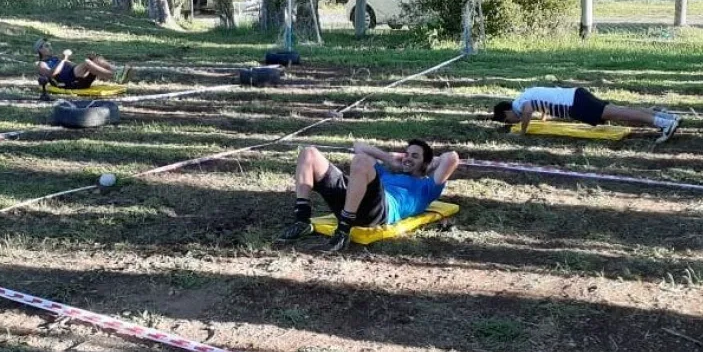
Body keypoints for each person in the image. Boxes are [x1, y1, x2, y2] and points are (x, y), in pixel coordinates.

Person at [277, 140, 460, 253]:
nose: (407, 158)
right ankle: (301, 220)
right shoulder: (388, 174)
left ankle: (343, 232)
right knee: (309, 153)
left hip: (380, 211)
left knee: (361, 162)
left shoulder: (428, 186)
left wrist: (427, 166)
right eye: (406, 154)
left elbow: (451, 157)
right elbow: (359, 146)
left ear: (426, 163)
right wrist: (389, 159)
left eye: (415, 156)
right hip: (353, 198)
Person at [491, 86, 681, 143]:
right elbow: (543, 104)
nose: (512, 121)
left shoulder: (519, 104)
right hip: (576, 97)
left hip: (576, 103)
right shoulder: (525, 95)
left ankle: (663, 123)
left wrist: (522, 132)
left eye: (509, 120)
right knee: (620, 111)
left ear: (507, 111)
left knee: (621, 114)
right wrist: (544, 118)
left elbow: (528, 110)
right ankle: (667, 118)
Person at [34, 38, 133, 96]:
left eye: (50, 45)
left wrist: (92, 62)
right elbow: (51, 74)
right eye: (46, 46)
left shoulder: (56, 59)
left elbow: (73, 66)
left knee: (96, 59)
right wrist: (63, 60)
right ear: (40, 50)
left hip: (76, 77)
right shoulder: (41, 64)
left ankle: (118, 70)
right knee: (86, 62)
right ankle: (115, 76)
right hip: (68, 82)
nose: (50, 48)